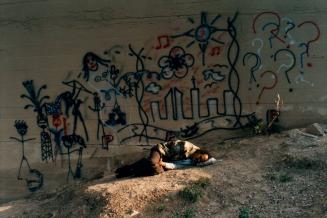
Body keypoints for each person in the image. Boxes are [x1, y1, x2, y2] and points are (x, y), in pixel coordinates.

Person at [115, 140, 213, 178]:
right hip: (160, 151)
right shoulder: (186, 147)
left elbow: (177, 165)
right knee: (153, 162)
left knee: (157, 171)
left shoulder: (191, 160)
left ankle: (133, 173)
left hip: (165, 161)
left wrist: (164, 164)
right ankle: (126, 170)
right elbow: (167, 151)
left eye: (201, 161)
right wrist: (161, 161)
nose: (199, 160)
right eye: (200, 157)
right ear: (199, 151)